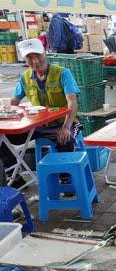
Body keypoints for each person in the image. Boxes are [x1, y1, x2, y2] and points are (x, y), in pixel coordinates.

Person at [0, 39, 81, 187]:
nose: (35, 61)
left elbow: (72, 103)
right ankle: (14, 175)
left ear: (45, 52)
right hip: (38, 126)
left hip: (63, 123)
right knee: (2, 138)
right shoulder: (25, 77)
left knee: (65, 140)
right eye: (30, 57)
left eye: (38, 55)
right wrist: (3, 107)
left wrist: (66, 127)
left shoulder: (63, 73)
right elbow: (14, 102)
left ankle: (66, 182)